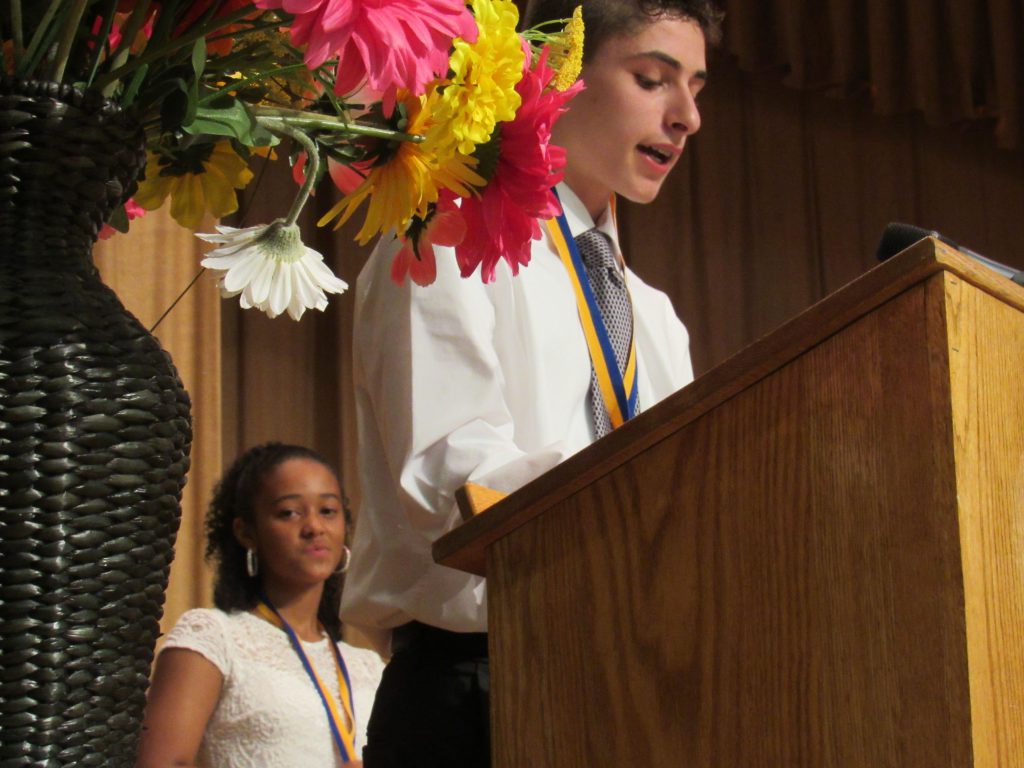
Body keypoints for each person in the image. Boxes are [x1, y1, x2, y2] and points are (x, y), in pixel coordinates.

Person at [340, 1, 724, 765]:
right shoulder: (443, 232)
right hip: (482, 682)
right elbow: (450, 474)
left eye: (699, 91)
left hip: (637, 677)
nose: (686, 118)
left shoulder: (657, 317)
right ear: (557, 81)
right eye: (653, 80)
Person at [136, 442, 384, 768]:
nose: (314, 527)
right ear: (246, 532)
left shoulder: (368, 667)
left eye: (328, 511)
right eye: (289, 513)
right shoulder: (212, 637)